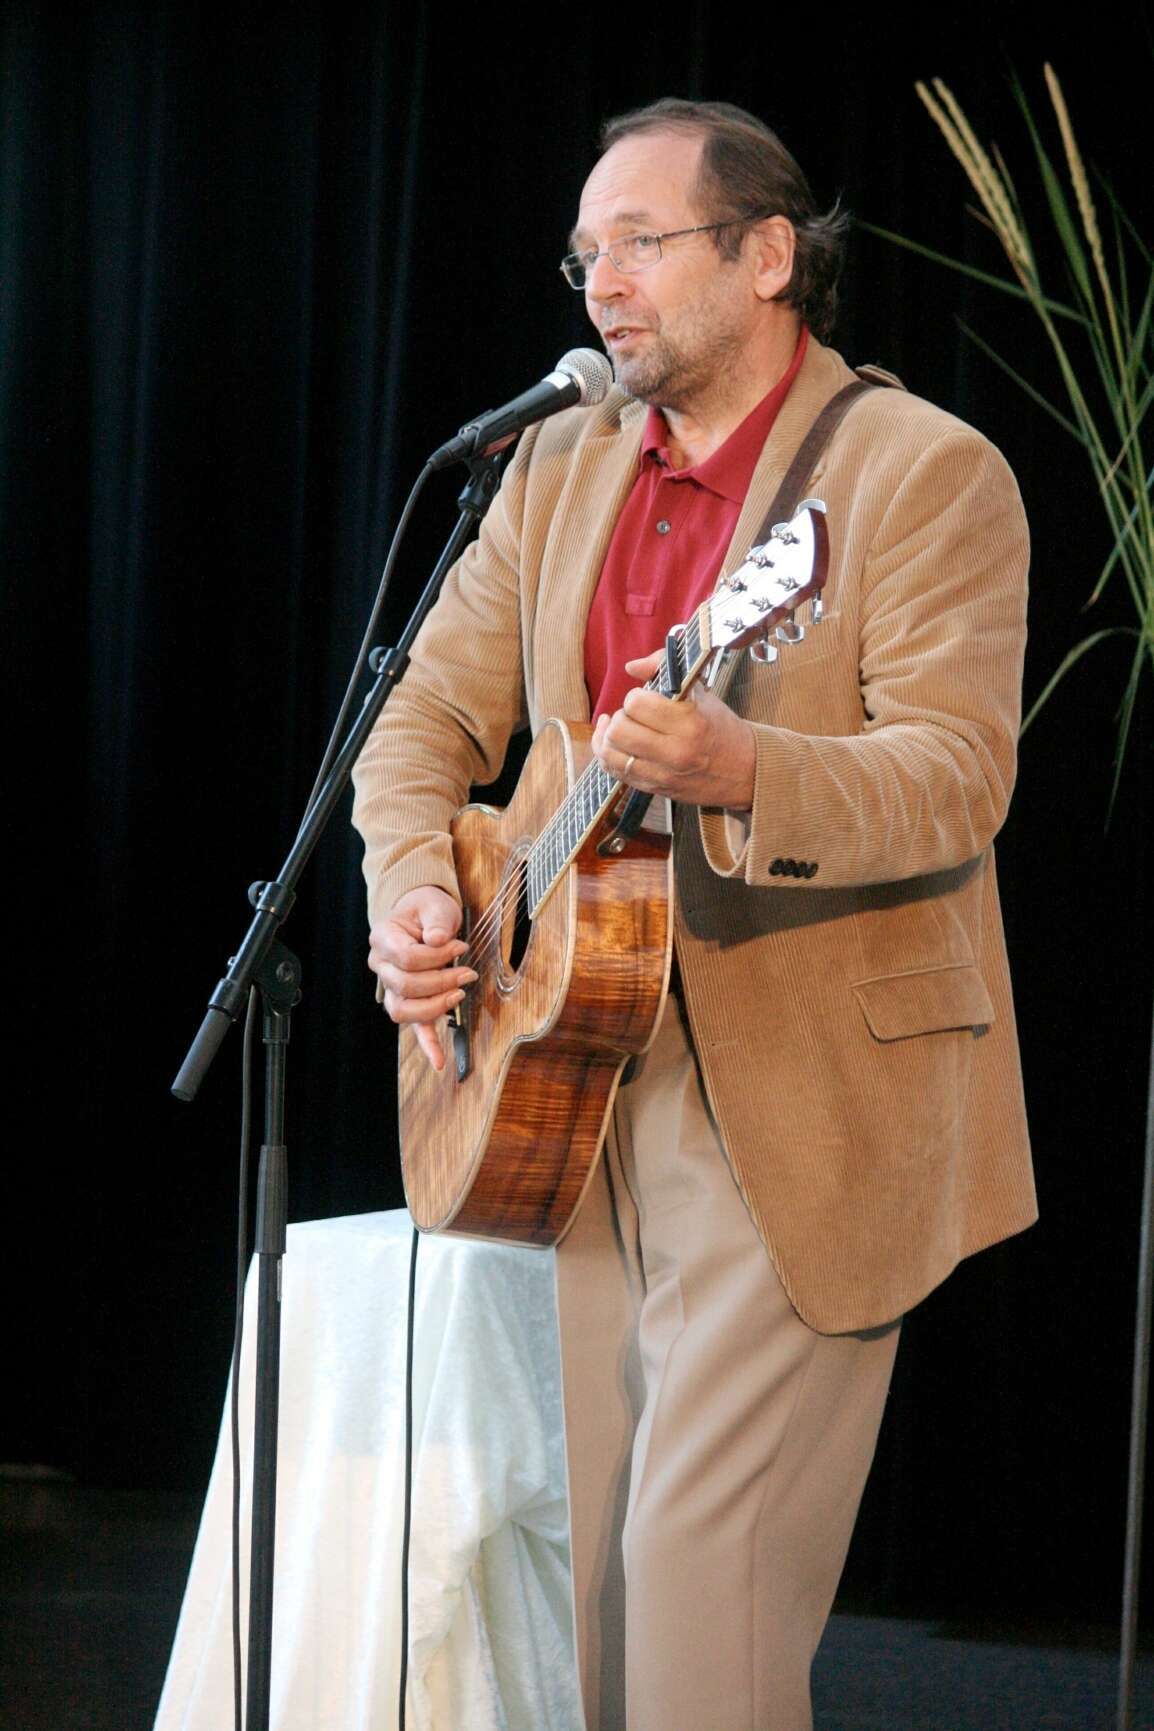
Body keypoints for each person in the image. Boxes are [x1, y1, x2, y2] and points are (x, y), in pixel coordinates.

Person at [351, 98, 1036, 1731]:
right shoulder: (557, 462)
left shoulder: (920, 470)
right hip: (571, 1061)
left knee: (693, 1582)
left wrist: (745, 768)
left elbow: (954, 778)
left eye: (641, 244)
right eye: (585, 254)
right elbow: (417, 721)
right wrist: (416, 887)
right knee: (602, 1585)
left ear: (768, 255)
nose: (602, 283)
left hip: (803, 1084)